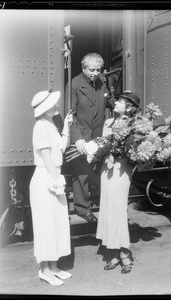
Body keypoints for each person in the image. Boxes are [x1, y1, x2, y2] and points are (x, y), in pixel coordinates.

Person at [29, 90, 73, 286]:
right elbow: (46, 158)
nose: (57, 107)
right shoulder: (40, 126)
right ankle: (44, 270)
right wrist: (58, 182)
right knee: (46, 226)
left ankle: (54, 267)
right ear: (44, 109)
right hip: (46, 177)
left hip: (54, 175)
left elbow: (62, 147)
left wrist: (67, 126)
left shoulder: (51, 125)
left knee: (57, 223)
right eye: (53, 105)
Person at [65, 53, 114, 222]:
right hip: (82, 136)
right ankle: (82, 209)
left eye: (98, 70)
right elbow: (70, 115)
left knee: (94, 171)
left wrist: (121, 103)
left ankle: (95, 202)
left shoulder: (101, 83)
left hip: (97, 135)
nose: (95, 73)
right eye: (91, 70)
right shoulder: (74, 84)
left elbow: (108, 101)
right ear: (83, 68)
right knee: (81, 174)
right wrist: (77, 138)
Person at [96, 91, 141, 274]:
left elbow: (134, 152)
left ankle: (124, 252)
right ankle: (113, 251)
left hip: (121, 171)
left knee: (118, 209)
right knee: (107, 209)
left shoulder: (135, 126)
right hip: (106, 170)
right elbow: (104, 145)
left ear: (129, 108)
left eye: (120, 102)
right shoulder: (108, 123)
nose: (115, 103)